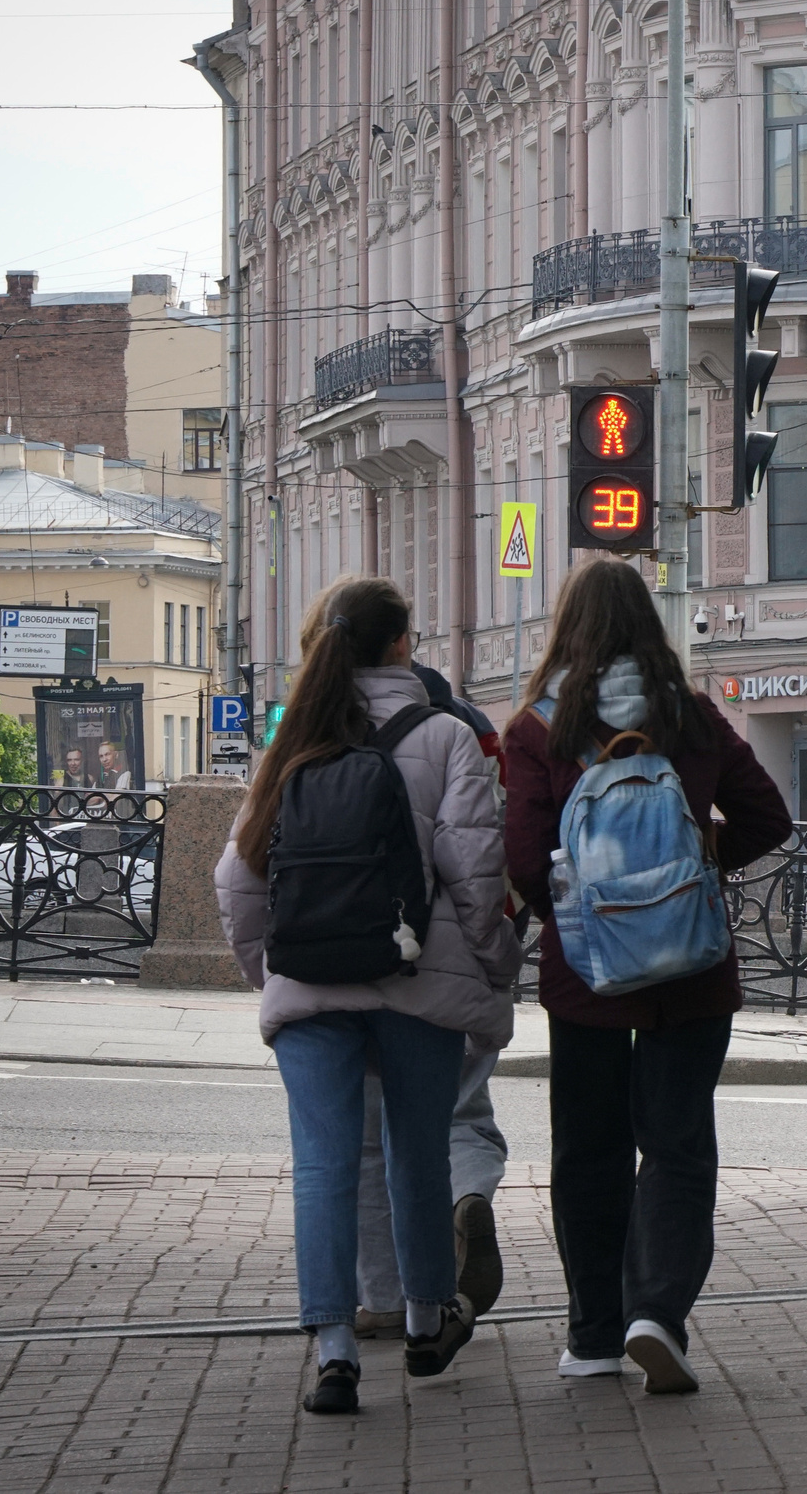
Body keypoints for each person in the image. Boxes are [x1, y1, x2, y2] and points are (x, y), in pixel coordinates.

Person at [215, 576, 516, 1416]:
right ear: (401, 644)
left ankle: (336, 1351)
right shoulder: (448, 735)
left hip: (312, 979)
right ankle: (425, 1323)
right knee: (419, 1153)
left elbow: (236, 874)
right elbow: (473, 872)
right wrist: (495, 963)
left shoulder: (297, 735)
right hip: (415, 978)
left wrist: (267, 969)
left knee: (324, 1167)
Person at [503, 558, 790, 1394]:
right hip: (692, 972)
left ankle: (592, 1333)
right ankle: (656, 1313)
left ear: (568, 627)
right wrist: (701, 870)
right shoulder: (692, 717)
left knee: (588, 1149)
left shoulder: (538, 728)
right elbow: (767, 816)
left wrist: (588, 919)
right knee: (676, 1146)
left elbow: (523, 861)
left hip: (586, 979)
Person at [355, 665, 513, 1338]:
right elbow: (482, 859)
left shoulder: (329, 727)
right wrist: (498, 956)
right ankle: (467, 1194)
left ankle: (385, 1298)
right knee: (460, 1112)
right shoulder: (471, 731)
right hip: (451, 962)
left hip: (350, 954)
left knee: (368, 1136)